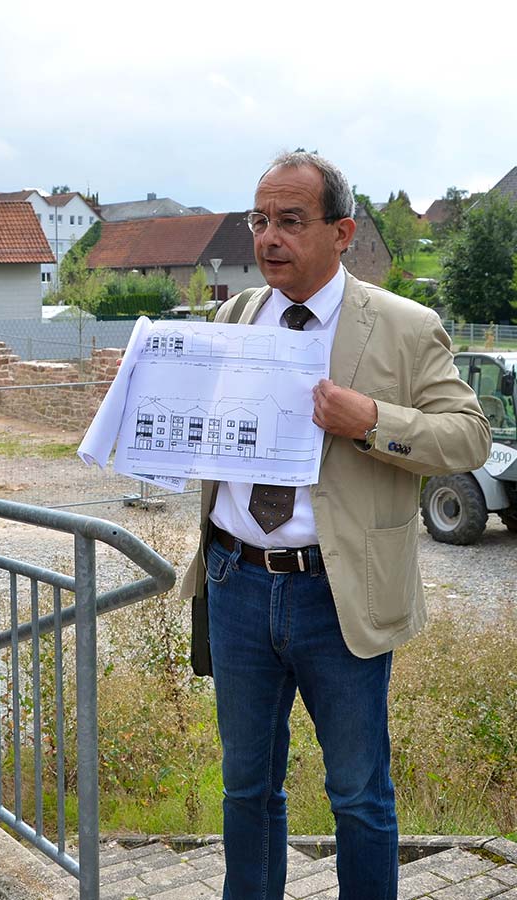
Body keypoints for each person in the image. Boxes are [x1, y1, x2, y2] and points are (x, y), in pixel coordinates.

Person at [180, 152, 490, 899]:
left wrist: (372, 421)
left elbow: (471, 437)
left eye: (290, 221)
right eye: (260, 221)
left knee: (358, 793)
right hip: (235, 582)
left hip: (335, 595)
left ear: (342, 231)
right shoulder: (233, 316)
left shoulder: (405, 327)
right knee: (246, 788)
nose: (268, 238)